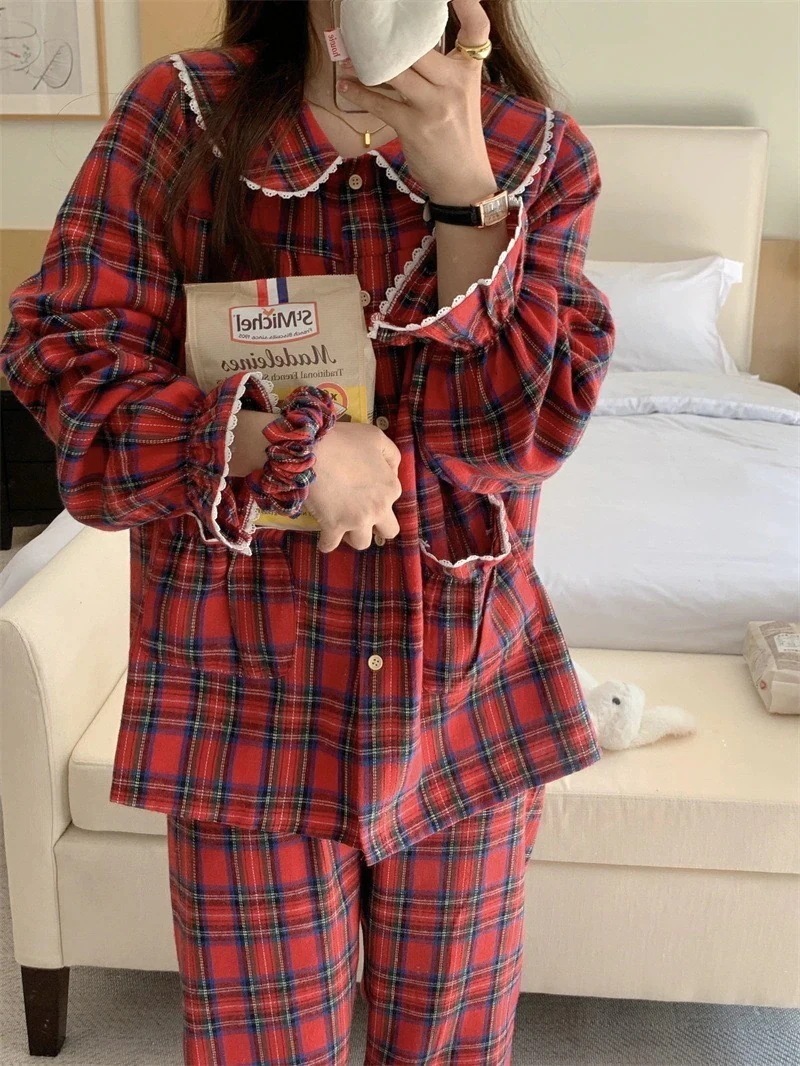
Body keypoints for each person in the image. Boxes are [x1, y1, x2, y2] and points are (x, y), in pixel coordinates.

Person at [0, 1, 616, 1062]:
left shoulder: (539, 154)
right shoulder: (185, 115)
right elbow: (63, 361)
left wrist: (463, 186)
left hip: (461, 702)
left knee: (450, 1050)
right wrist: (267, 446)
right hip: (242, 695)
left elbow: (513, 440)